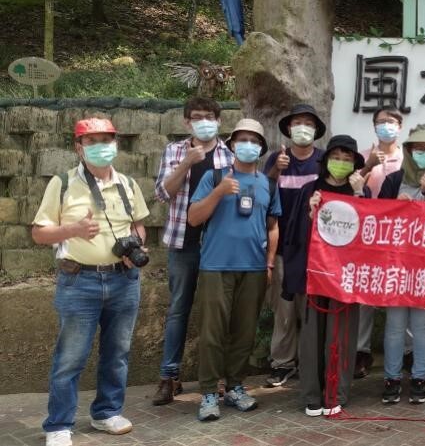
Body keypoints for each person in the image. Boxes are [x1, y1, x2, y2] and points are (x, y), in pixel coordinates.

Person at [33, 118, 150, 446]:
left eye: (107, 139)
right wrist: (73, 230)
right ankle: (58, 424)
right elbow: (39, 232)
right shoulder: (63, 183)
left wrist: (137, 245)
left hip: (124, 280)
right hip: (78, 281)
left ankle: (107, 412)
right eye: (93, 140)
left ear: (116, 144)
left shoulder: (128, 184)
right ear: (78, 147)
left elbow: (139, 225)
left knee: (118, 351)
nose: (101, 146)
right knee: (70, 356)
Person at [187, 118, 282, 421]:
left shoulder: (268, 183)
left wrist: (269, 262)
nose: (249, 146)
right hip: (216, 266)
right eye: (242, 140)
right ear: (232, 146)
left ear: (261, 148)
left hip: (254, 268)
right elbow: (193, 218)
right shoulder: (214, 178)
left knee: (244, 332)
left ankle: (235, 387)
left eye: (254, 141)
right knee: (213, 332)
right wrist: (219, 193)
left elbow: (273, 226)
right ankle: (209, 393)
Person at [153, 97, 234, 405]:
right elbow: (162, 193)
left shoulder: (230, 154)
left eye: (210, 116)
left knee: (219, 311)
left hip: (219, 244)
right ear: (186, 122)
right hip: (182, 242)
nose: (204, 122)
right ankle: (169, 377)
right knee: (177, 310)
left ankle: (217, 377)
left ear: (219, 121)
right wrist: (187, 163)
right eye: (197, 117)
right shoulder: (174, 151)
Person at [282, 135, 367, 416]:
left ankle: (336, 394)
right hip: (315, 274)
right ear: (326, 160)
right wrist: (310, 212)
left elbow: (370, 238)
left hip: (347, 277)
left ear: (354, 163)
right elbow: (294, 236)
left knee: (341, 334)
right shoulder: (311, 190)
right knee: (311, 336)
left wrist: (360, 197)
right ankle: (311, 395)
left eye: (347, 159)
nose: (341, 164)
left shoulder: (360, 192)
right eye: (336, 157)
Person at [377, 124, 425, 405]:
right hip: (395, 263)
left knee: (422, 324)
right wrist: (395, 206)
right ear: (408, 151)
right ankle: (392, 378)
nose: (424, 154)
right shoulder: (392, 180)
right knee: (395, 324)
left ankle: (420, 377)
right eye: (419, 149)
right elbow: (376, 220)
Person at [261, 104, 327, 387]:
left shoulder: (325, 161)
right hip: (284, 247)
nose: (303, 128)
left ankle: (309, 362)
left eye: (308, 123)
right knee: (284, 309)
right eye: (297, 122)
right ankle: (282, 363)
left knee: (310, 309)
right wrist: (275, 171)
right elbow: (263, 194)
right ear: (288, 128)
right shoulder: (277, 159)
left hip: (317, 250)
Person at [355, 108, 405, 379]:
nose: (386, 126)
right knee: (365, 294)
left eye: (391, 122)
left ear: (400, 125)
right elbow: (351, 187)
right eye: (381, 122)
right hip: (368, 233)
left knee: (402, 289)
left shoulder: (407, 158)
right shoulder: (364, 155)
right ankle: (361, 351)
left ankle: (407, 351)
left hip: (400, 236)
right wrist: (369, 165)